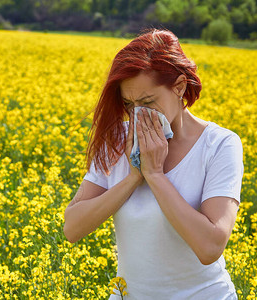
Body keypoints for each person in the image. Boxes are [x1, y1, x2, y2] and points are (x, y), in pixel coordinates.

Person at [63, 29, 244, 300]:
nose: (138, 114)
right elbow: (72, 227)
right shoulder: (116, 140)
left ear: (180, 86)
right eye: (129, 104)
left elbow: (209, 247)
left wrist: (155, 175)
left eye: (148, 102)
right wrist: (133, 177)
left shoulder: (219, 145)